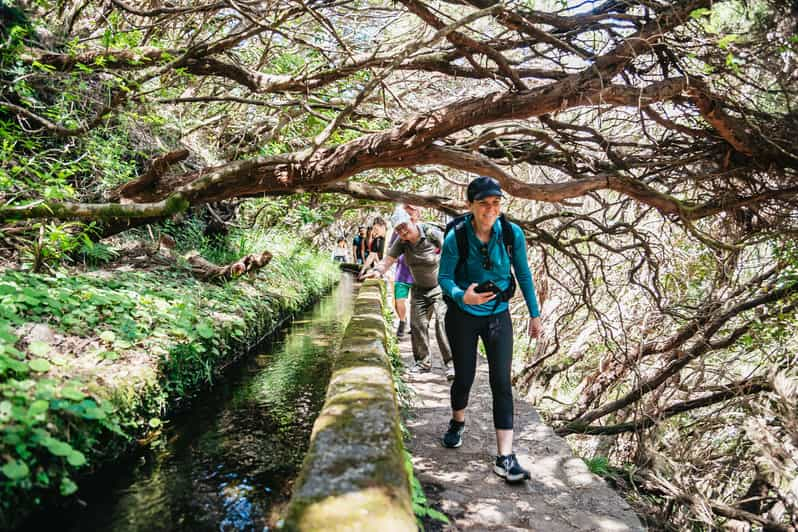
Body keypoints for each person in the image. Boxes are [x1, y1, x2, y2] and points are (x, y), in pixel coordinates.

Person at [438, 175, 543, 484]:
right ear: (471, 205)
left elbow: (523, 273)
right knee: (465, 377)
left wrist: (535, 315)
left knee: (501, 382)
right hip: (462, 315)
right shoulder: (456, 236)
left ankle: (505, 458)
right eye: (483, 204)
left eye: (496, 203)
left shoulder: (511, 234)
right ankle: (458, 422)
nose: (490, 210)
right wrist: (462, 295)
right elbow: (443, 277)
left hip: (498, 314)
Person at [361, 207, 454, 380]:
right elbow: (388, 260)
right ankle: (422, 363)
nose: (402, 231)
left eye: (404, 226)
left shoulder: (431, 233)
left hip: (440, 287)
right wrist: (377, 271)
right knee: (417, 325)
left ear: (412, 221)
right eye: (398, 229)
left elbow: (452, 252)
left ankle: (451, 364)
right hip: (418, 288)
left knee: (442, 323)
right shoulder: (402, 242)